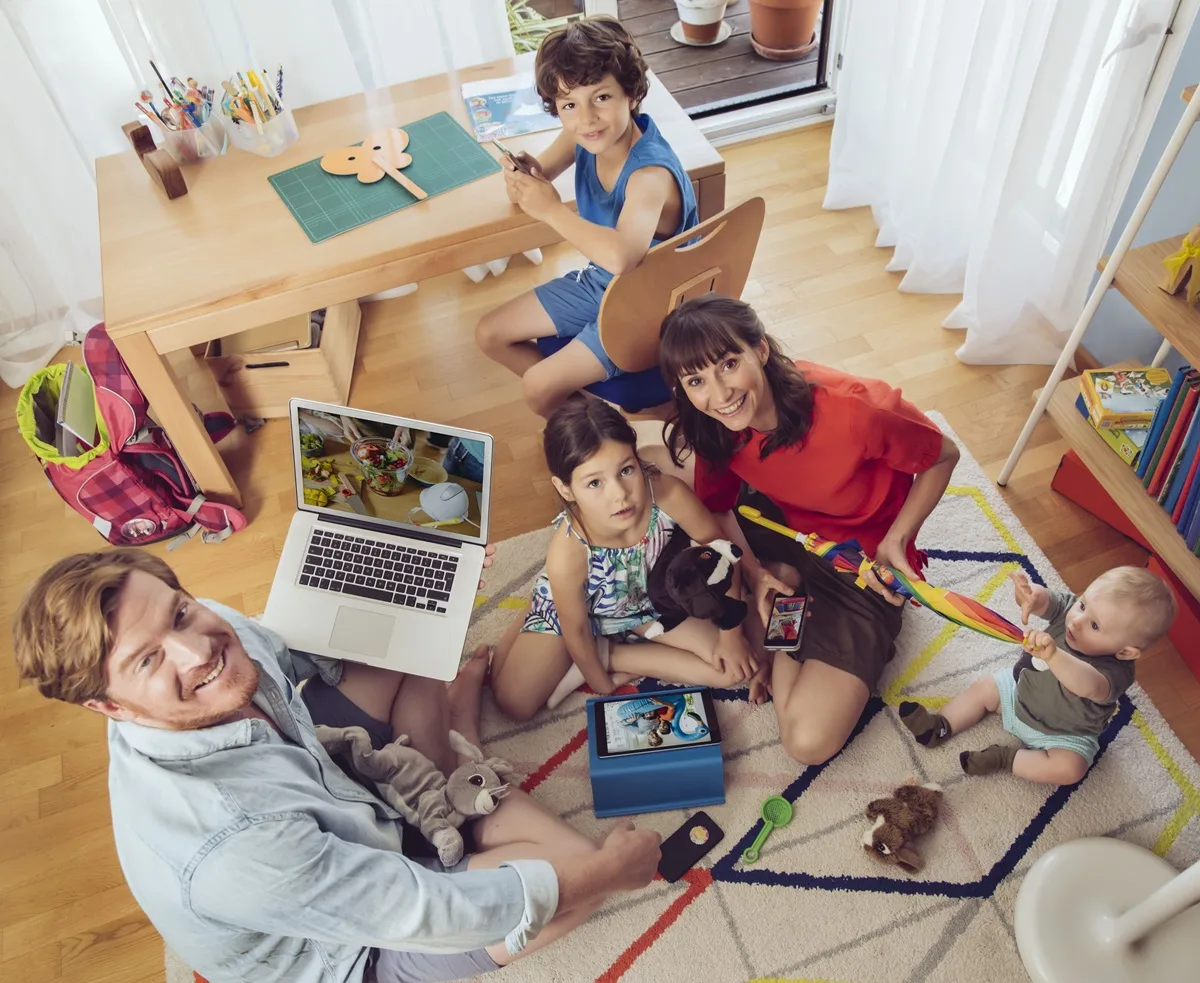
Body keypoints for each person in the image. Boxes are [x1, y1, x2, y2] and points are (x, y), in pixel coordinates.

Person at [11, 550, 663, 983]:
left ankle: (449, 752)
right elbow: (421, 910)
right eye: (148, 660)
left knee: (413, 630)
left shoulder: (212, 636)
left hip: (327, 772)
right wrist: (612, 870)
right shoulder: (230, 845)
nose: (198, 650)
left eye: (179, 611)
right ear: (108, 705)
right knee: (577, 878)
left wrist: (417, 572)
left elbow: (284, 653)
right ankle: (456, 755)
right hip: (356, 945)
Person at [656, 295, 961, 765]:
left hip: (859, 563)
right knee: (671, 574)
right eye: (696, 380)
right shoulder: (713, 425)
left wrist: (897, 541)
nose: (718, 395)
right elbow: (718, 511)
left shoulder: (857, 409)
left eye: (729, 364)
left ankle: (784, 629)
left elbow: (944, 455)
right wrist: (755, 573)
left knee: (806, 743)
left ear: (760, 348)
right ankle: (784, 593)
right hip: (777, 531)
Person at [474, 16, 699, 417]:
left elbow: (622, 257)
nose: (587, 118)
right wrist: (526, 176)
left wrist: (551, 209)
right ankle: (597, 422)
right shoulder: (583, 134)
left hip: (647, 302)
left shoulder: (650, 176)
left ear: (630, 93)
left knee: (538, 387)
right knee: (489, 334)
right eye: (569, 105)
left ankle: (591, 430)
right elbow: (541, 174)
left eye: (602, 97)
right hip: (603, 284)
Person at [488, 399, 759, 722]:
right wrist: (601, 683)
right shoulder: (568, 552)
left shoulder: (668, 494)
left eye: (626, 470)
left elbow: (720, 555)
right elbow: (575, 630)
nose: (619, 495)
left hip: (649, 610)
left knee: (732, 670)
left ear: (637, 458)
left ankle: (615, 654)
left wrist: (732, 636)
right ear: (566, 488)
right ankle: (537, 609)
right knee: (513, 703)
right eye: (594, 483)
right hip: (583, 615)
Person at [898, 567, 1176, 785]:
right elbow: (1051, 602)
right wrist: (1032, 595)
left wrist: (1054, 656)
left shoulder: (1116, 672)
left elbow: (1088, 685)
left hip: (1063, 735)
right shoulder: (1072, 616)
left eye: (1094, 625)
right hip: (1019, 694)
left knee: (1071, 769)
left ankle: (1005, 759)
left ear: (1126, 652)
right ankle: (939, 726)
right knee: (985, 687)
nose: (1076, 621)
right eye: (1083, 604)